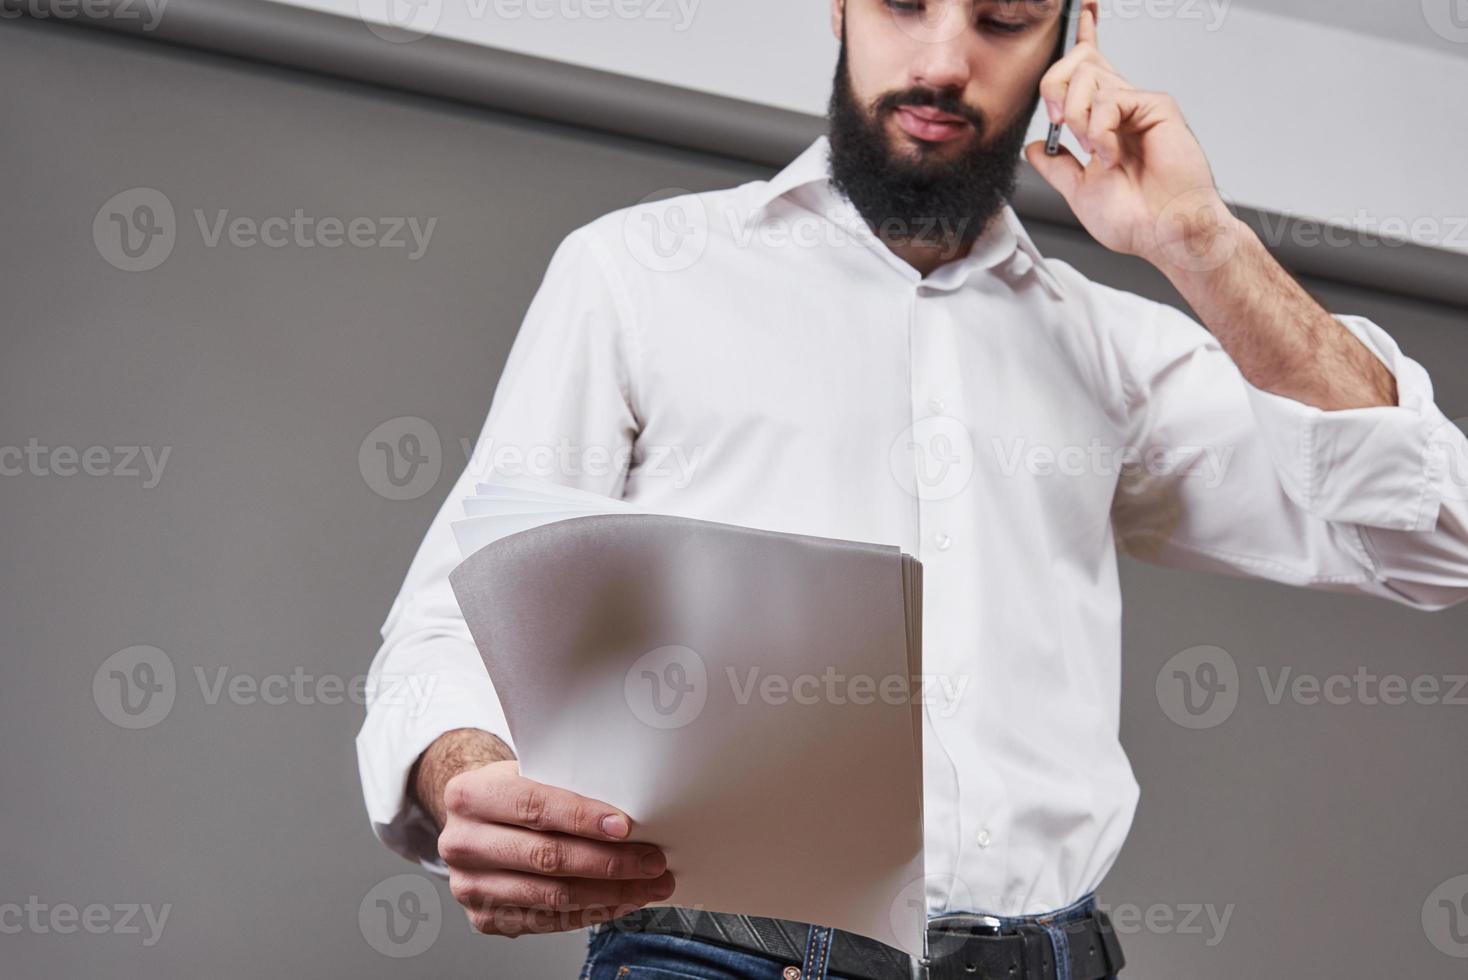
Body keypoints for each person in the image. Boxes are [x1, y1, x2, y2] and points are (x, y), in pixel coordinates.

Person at [357, 1, 1468, 977]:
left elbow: (1429, 540)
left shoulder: (1117, 351)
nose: (942, 61)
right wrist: (470, 774)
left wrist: (1200, 241)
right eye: (903, 3)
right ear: (839, 6)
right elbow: (454, 616)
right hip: (716, 951)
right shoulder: (635, 275)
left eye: (1000, 17)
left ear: (1074, 34)